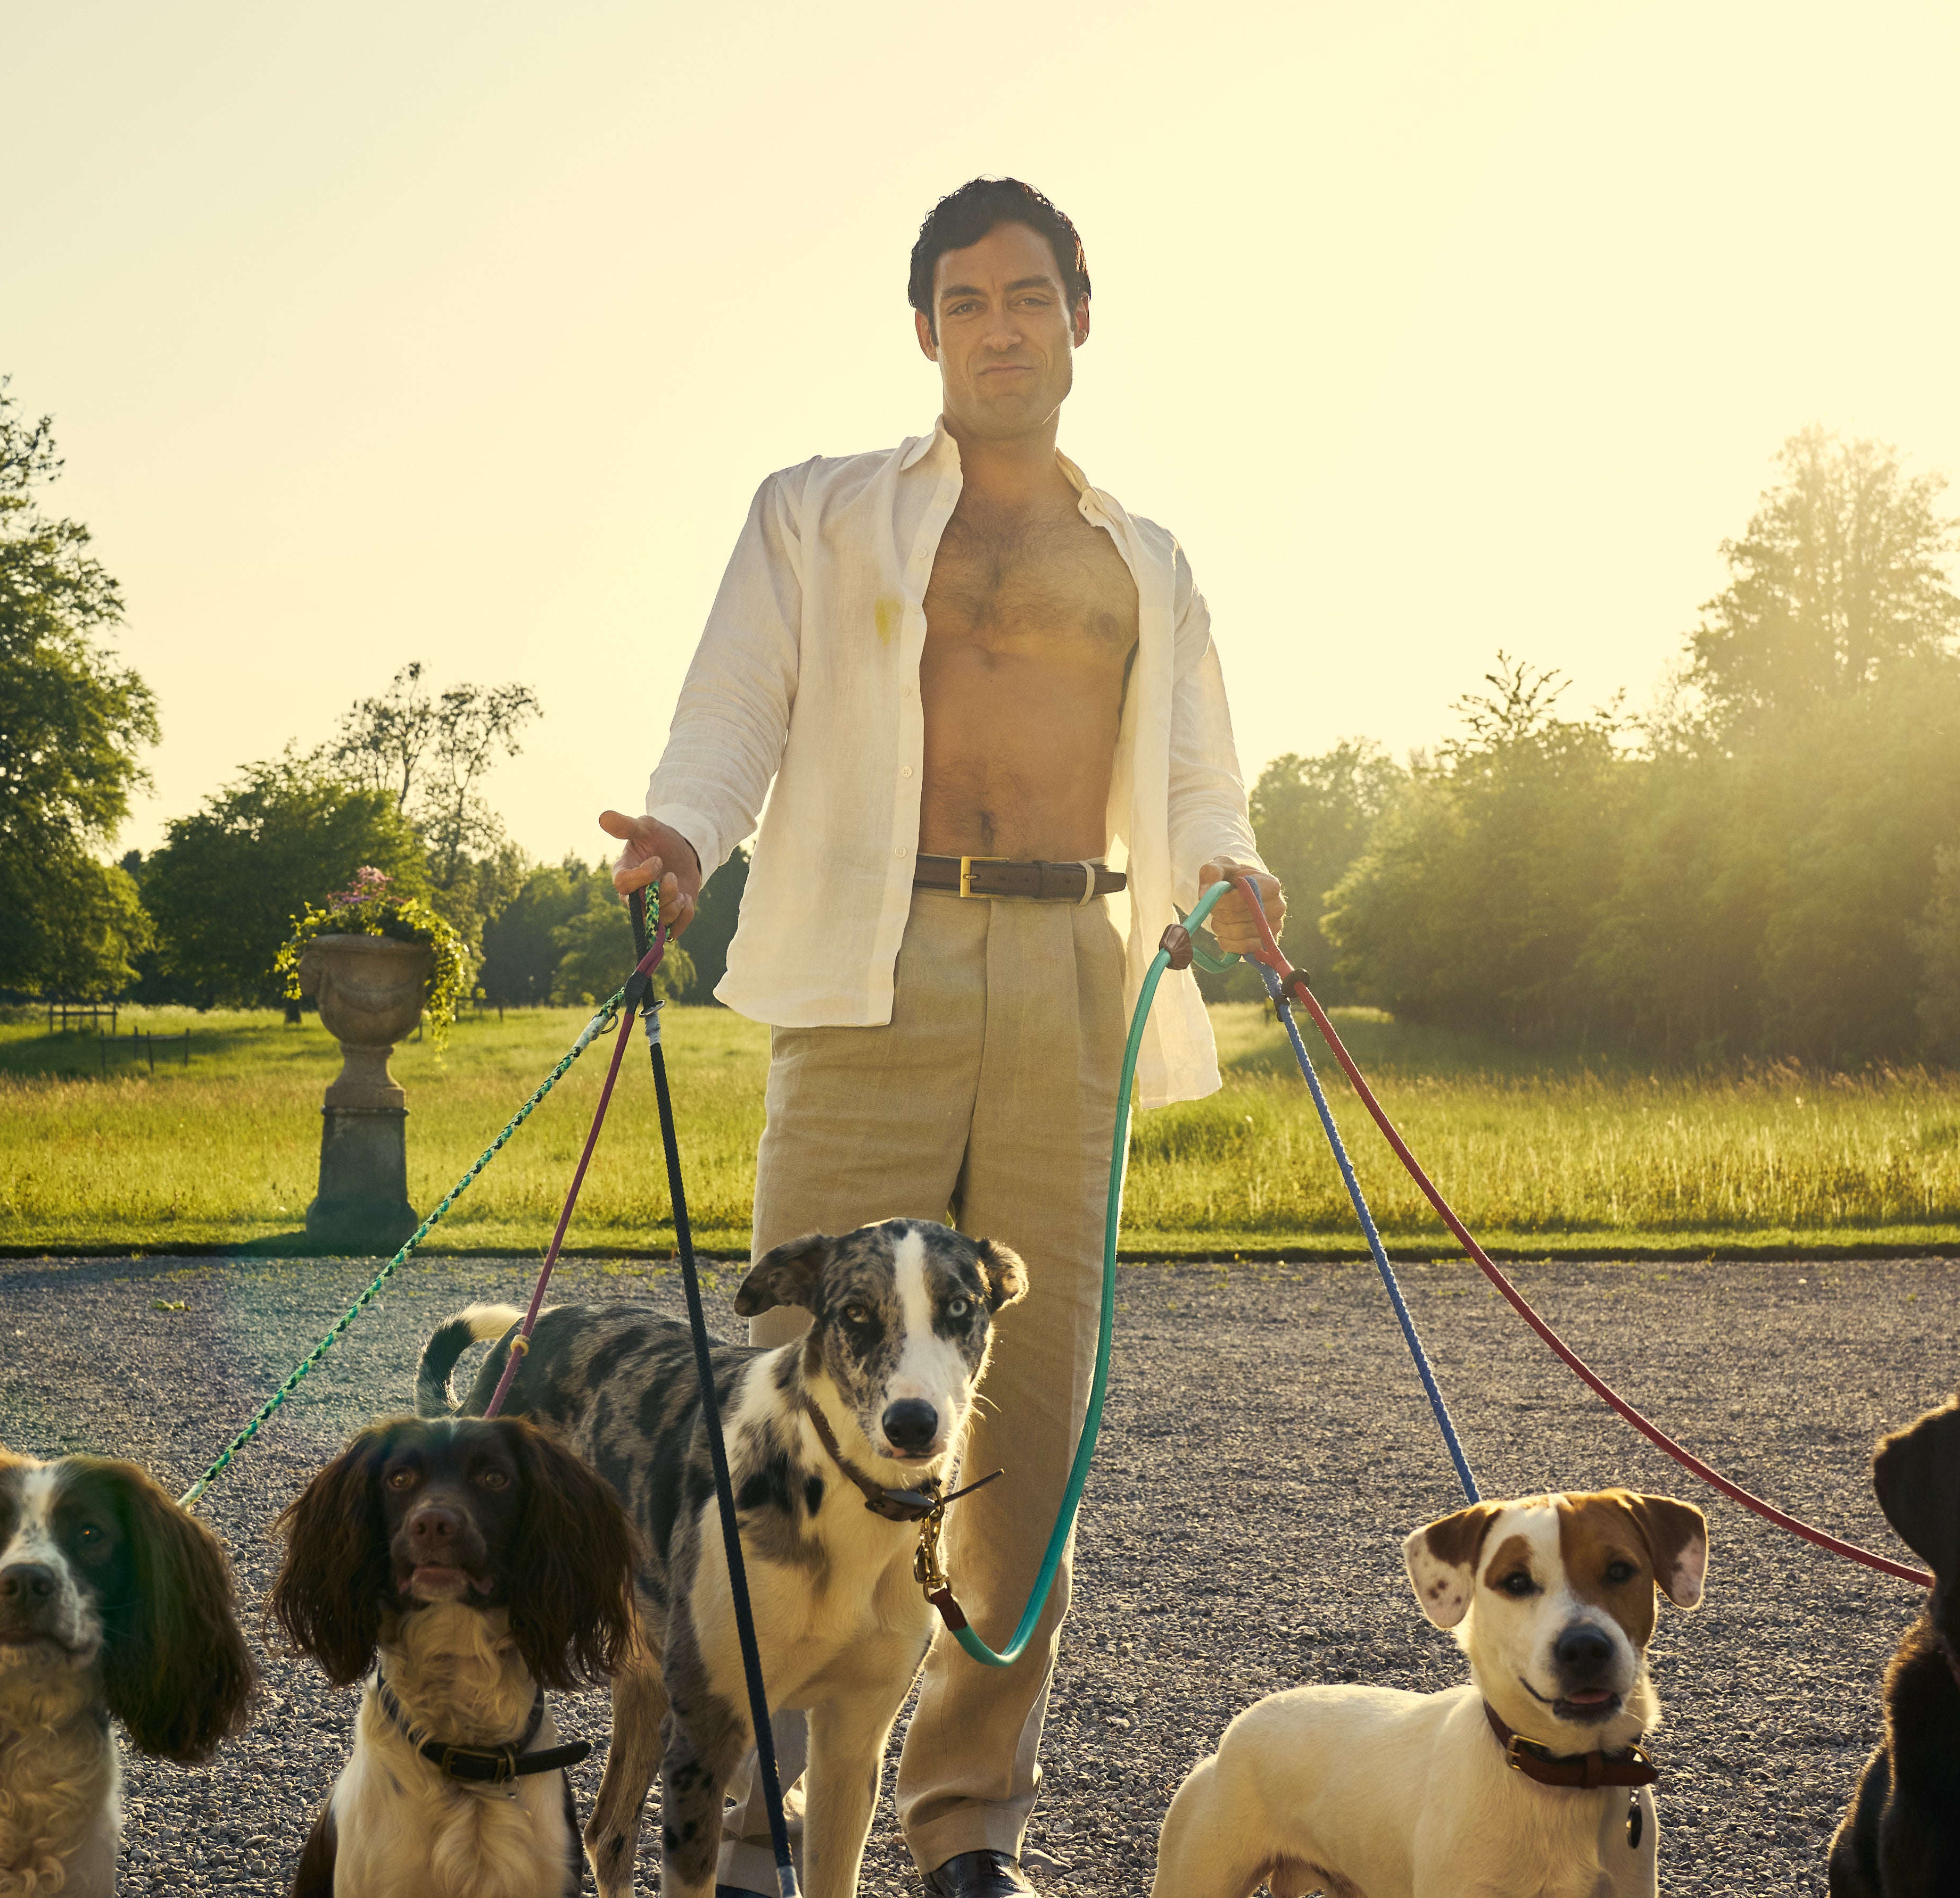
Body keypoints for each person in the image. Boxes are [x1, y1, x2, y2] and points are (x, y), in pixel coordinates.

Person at [597, 176, 1283, 1898]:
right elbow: (732, 707)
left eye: (1030, 296)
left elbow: (1201, 772)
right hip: (865, 960)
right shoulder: (817, 514)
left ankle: (969, 1824)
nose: (1000, 327)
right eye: (967, 300)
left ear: (1076, 320)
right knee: (794, 1400)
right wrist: (683, 835)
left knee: (1026, 1426)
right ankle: (754, 1821)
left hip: (1070, 965)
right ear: (925, 330)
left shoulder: (1146, 558)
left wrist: (1237, 874)